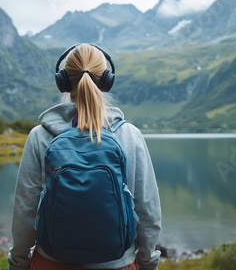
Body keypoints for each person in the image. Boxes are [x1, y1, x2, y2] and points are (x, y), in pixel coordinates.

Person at [8, 43, 162, 270]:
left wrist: (19, 262)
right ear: (107, 80)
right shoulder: (129, 135)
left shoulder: (39, 136)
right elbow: (147, 210)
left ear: (63, 81)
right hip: (118, 264)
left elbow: (25, 211)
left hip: (51, 263)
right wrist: (148, 262)